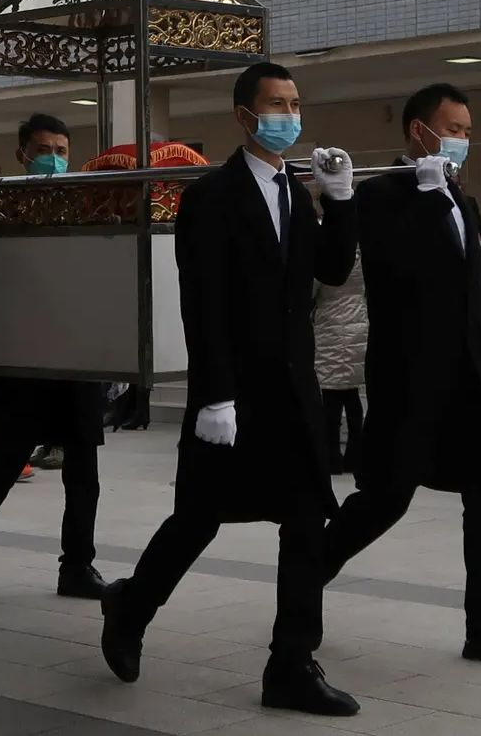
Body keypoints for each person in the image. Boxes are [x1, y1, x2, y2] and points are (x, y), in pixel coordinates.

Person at [100, 64, 362, 716]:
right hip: (235, 393)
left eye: (295, 104)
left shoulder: (297, 192)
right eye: (277, 105)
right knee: (199, 517)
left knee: (306, 520)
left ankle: (291, 664)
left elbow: (331, 271)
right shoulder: (212, 196)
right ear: (245, 116)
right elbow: (203, 301)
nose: (289, 116)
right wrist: (215, 393)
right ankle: (130, 607)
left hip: (293, 390)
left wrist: (341, 200)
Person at [321, 82, 481, 669]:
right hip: (410, 374)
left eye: (467, 132)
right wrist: (425, 197)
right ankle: (302, 578)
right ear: (418, 130)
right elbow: (396, 272)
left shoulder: (459, 197)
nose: (461, 140)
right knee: (384, 499)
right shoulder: (382, 194)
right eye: (452, 130)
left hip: (466, 373)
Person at [0, 114, 109, 596]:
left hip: (77, 351)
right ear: (22, 155)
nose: (53, 159)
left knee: (83, 462)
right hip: (23, 351)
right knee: (10, 452)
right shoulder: (2, 207)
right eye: (43, 150)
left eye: (61, 150)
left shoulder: (85, 206)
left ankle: (77, 566)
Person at [313, 246, 367, 475]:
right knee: (352, 396)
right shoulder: (362, 256)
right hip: (357, 325)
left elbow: (312, 289)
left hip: (330, 326)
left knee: (331, 398)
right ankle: (355, 455)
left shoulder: (326, 257)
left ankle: (332, 457)